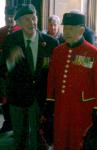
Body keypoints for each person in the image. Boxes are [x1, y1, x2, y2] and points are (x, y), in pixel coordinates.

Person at [46, 11, 97, 150]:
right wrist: (50, 100)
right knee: (61, 139)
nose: (66, 32)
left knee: (78, 140)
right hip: (61, 106)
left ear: (81, 30)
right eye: (65, 28)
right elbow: (52, 78)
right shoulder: (58, 51)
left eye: (71, 28)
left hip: (83, 109)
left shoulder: (94, 53)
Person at [1, 4, 58, 150]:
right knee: (19, 137)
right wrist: (11, 61)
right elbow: (2, 69)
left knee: (38, 139)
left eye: (33, 18)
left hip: (40, 98)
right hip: (17, 97)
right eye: (26, 19)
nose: (31, 22)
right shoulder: (10, 41)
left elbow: (55, 74)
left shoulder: (51, 43)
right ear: (18, 23)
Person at [0, 6, 21, 133]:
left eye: (12, 16)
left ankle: (16, 125)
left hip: (17, 72)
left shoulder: (21, 31)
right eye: (7, 15)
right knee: (4, 98)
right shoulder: (1, 31)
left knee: (15, 99)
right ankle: (7, 123)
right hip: (3, 71)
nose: (9, 18)